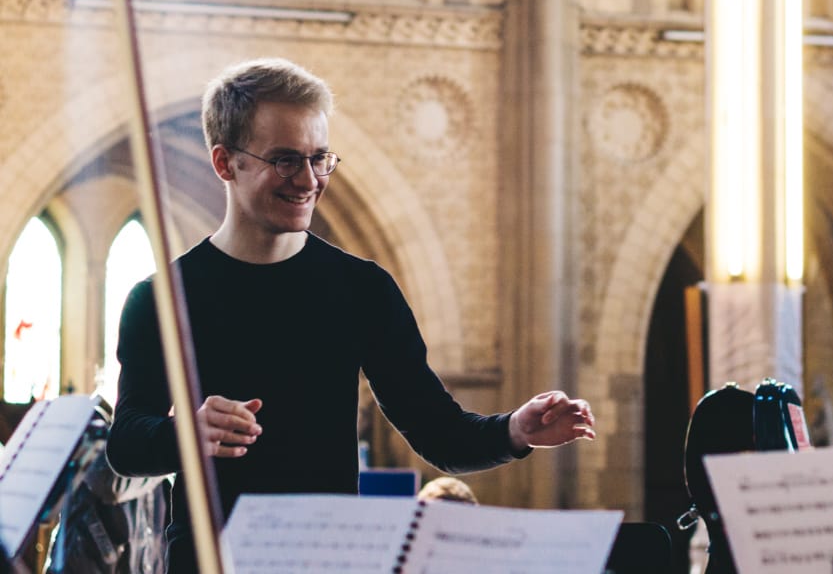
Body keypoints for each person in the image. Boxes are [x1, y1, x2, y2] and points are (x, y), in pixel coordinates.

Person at [105, 57, 596, 573]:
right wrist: (184, 436)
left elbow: (438, 432)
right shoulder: (161, 298)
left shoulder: (362, 288)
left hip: (328, 559)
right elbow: (127, 444)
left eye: (320, 158)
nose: (310, 180)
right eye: (286, 160)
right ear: (226, 163)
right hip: (210, 560)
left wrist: (515, 430)